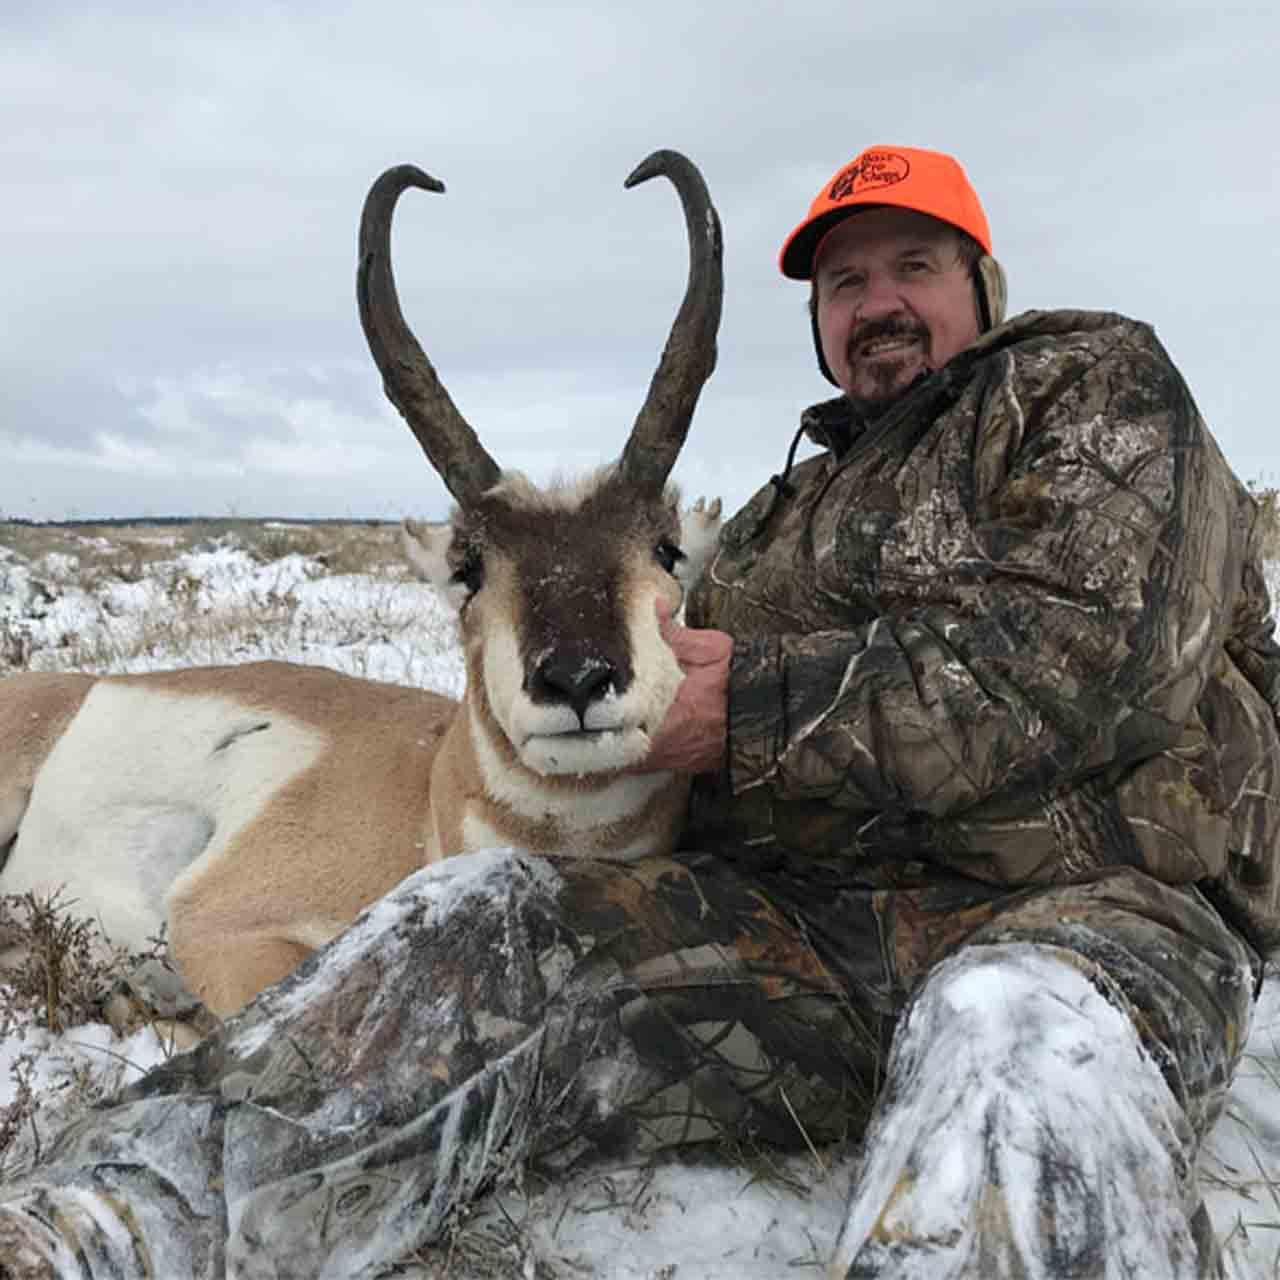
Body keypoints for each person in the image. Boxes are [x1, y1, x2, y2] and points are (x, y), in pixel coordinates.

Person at [1, 145, 1276, 1280]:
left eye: (913, 264)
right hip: (822, 938)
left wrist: (748, 714)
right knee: (475, 918)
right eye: (843, 283)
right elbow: (647, 703)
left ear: (981, 285)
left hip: (1095, 918)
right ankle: (105, 1222)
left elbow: (1085, 663)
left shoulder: (1087, 392)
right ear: (822, 323)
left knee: (1006, 1041)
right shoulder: (781, 521)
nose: (877, 300)